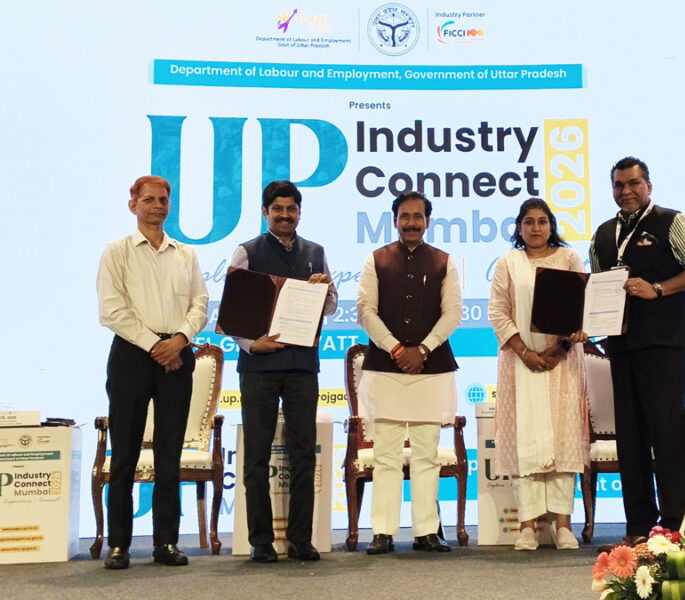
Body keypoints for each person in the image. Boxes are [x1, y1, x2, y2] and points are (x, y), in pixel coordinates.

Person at [589, 157, 685, 544]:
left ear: (648, 186)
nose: (626, 191)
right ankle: (638, 527)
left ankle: (677, 527)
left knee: (666, 434)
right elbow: (596, 285)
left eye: (634, 183)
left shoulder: (671, 222)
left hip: (665, 345)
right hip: (621, 346)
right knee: (630, 440)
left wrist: (659, 288)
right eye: (619, 185)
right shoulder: (603, 234)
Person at [97, 175, 208, 569]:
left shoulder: (186, 254)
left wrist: (178, 340)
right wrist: (155, 346)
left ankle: (166, 542)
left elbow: (200, 304)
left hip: (177, 355)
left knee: (169, 454)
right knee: (124, 453)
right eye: (148, 200)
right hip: (132, 356)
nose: (157, 206)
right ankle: (119, 545)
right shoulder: (117, 252)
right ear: (133, 205)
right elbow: (112, 310)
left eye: (163, 200)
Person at [231, 180, 337, 563]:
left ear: (299, 212)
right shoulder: (246, 252)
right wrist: (250, 344)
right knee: (257, 456)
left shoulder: (316, 252)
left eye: (291, 208)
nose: (285, 215)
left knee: (303, 453)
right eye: (277, 209)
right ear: (265, 212)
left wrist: (326, 289)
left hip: (302, 366)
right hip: (259, 365)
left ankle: (300, 540)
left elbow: (331, 307)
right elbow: (232, 309)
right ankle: (260, 540)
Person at [357, 191, 461, 555]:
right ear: (395, 220)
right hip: (386, 368)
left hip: (431, 370)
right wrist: (398, 349)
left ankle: (426, 531)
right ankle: (382, 532)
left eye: (418, 217)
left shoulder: (444, 261)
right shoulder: (376, 259)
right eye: (405, 216)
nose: (412, 223)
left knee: (426, 454)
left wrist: (424, 349)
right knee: (385, 455)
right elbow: (366, 311)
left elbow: (453, 312)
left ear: (428, 221)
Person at [488, 198, 590, 551]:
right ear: (519, 227)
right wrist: (526, 352)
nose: (535, 228)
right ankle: (528, 526)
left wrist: (559, 349)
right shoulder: (508, 262)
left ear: (551, 226)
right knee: (525, 442)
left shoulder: (568, 259)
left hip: (562, 364)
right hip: (520, 364)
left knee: (562, 441)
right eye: (529, 222)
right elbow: (498, 311)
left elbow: (579, 307)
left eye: (542, 221)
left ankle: (563, 525)